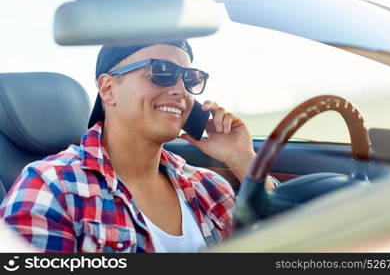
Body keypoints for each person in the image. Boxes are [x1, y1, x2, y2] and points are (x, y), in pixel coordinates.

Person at [0, 41, 276, 253]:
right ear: (108, 89)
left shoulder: (207, 185)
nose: (181, 90)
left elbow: (285, 244)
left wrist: (243, 159)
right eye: (162, 72)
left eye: (189, 79)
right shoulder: (51, 188)